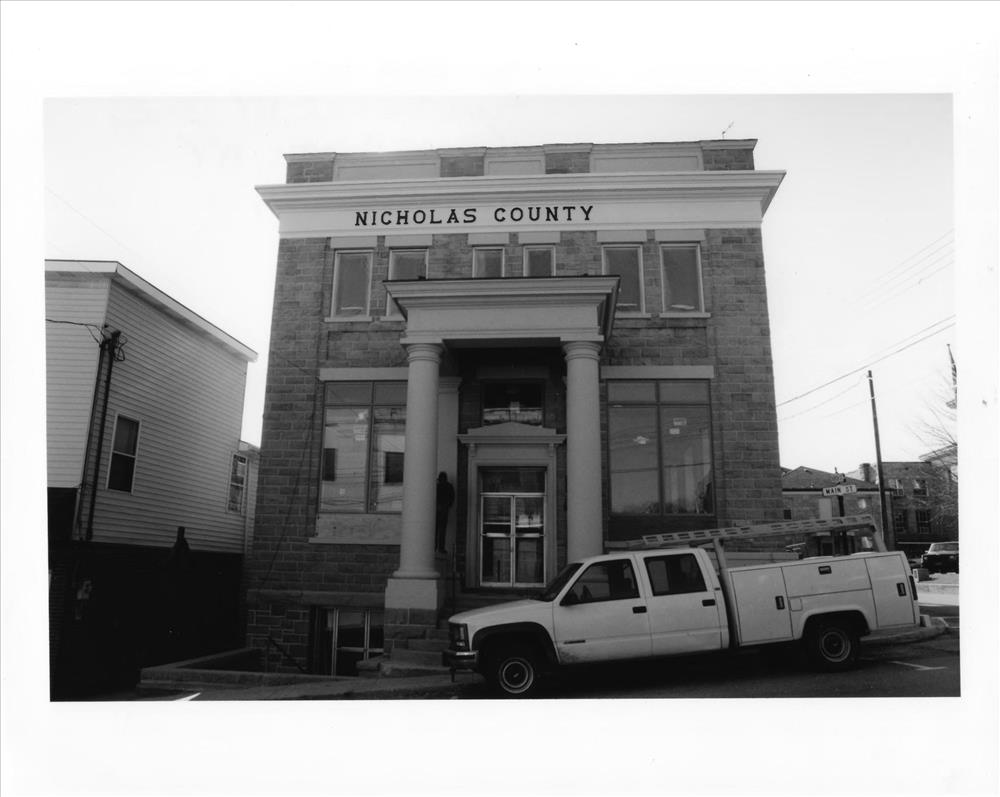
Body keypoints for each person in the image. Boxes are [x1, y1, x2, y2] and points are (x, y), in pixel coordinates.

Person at [435, 472, 455, 552]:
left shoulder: (437, 486)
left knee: (436, 529)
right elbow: (452, 497)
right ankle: (441, 548)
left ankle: (434, 547)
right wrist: (448, 505)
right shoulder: (449, 486)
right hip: (445, 509)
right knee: (442, 529)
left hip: (437, 509)